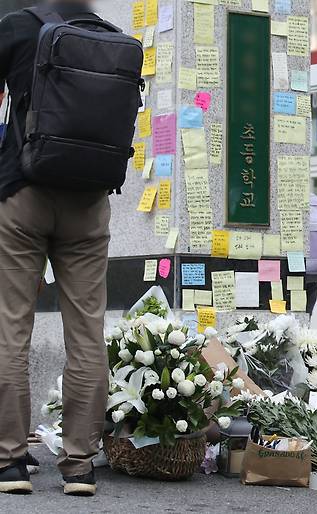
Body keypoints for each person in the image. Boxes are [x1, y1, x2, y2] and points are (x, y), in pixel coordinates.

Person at [0, 0, 116, 496]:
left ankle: (8, 462)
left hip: (23, 192)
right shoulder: (109, 36)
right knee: (88, 331)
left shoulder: (18, 26)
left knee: (11, 325)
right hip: (88, 201)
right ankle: (79, 465)